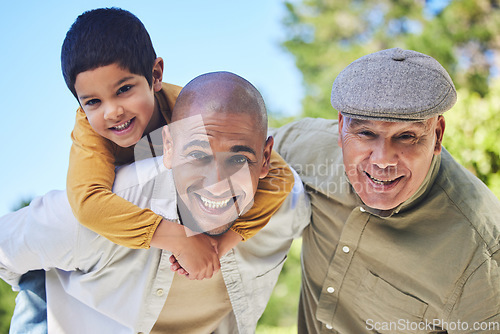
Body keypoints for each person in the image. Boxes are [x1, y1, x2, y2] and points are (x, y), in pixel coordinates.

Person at [11, 7, 294, 332]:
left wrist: (227, 239)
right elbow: (88, 204)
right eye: (92, 102)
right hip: (56, 276)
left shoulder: (190, 111)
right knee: (39, 299)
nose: (113, 111)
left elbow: (279, 176)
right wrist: (179, 239)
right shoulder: (90, 133)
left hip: (129, 258)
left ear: (156, 75)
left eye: (124, 90)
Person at [272, 48, 500, 333]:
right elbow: (226, 155)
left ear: (438, 135)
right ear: (341, 127)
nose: (382, 160)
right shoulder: (305, 147)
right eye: (366, 133)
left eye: (406, 137)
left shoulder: (480, 255)